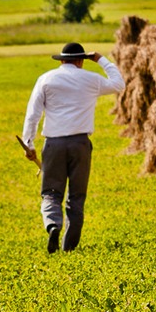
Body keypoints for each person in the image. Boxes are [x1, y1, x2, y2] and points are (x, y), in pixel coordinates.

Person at [22, 42, 125, 253]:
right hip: (80, 144)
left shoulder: (46, 79)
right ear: (81, 60)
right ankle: (68, 247)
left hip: (54, 144)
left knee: (51, 193)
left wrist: (28, 143)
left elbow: (33, 115)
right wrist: (101, 59)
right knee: (76, 196)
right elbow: (118, 84)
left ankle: (53, 225)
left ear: (62, 60)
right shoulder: (91, 79)